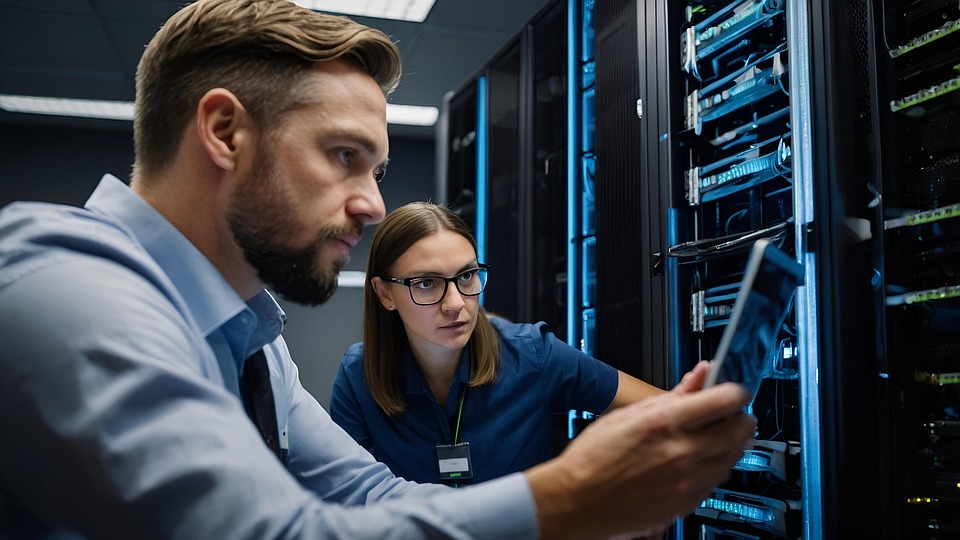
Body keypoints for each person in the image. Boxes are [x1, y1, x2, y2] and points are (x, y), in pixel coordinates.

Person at [0, 0, 756, 538]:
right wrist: (568, 500)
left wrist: (583, 501)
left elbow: (368, 494)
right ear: (225, 130)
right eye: (344, 157)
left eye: (379, 169)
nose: (371, 205)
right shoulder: (66, 284)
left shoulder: (253, 343)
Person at [330, 201, 669, 485]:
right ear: (385, 293)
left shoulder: (532, 354)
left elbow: (668, 412)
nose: (456, 303)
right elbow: (343, 501)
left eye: (466, 276)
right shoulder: (358, 377)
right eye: (427, 284)